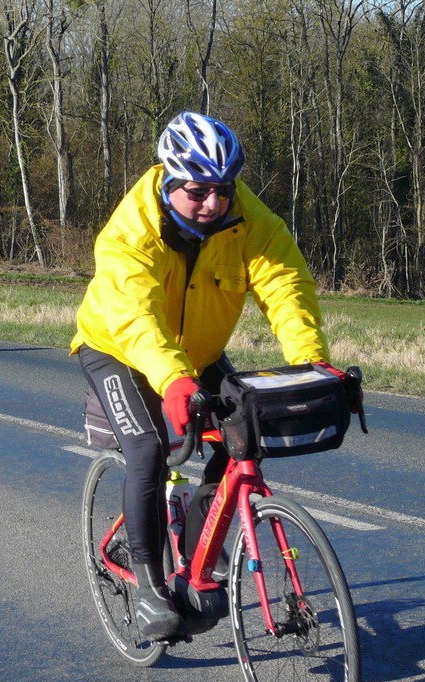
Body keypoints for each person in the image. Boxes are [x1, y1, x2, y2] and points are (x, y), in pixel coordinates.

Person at [71, 112, 330, 641]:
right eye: (197, 191)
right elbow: (136, 318)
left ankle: (196, 556)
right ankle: (149, 589)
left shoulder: (248, 220)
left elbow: (286, 284)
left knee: (242, 440)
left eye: (224, 190)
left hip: (197, 352)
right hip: (118, 348)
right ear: (169, 181)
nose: (213, 203)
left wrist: (311, 362)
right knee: (147, 450)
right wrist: (172, 380)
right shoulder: (131, 231)